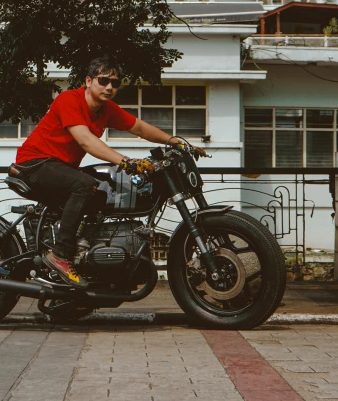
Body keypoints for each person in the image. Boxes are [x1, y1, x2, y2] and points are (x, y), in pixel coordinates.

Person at [11, 56, 198, 287]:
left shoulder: (106, 110)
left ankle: (85, 258)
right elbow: (86, 141)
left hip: (59, 167)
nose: (109, 87)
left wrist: (173, 141)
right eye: (103, 80)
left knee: (101, 192)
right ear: (88, 81)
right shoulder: (69, 100)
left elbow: (138, 127)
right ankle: (60, 255)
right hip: (35, 163)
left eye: (115, 83)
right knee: (84, 184)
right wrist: (127, 161)